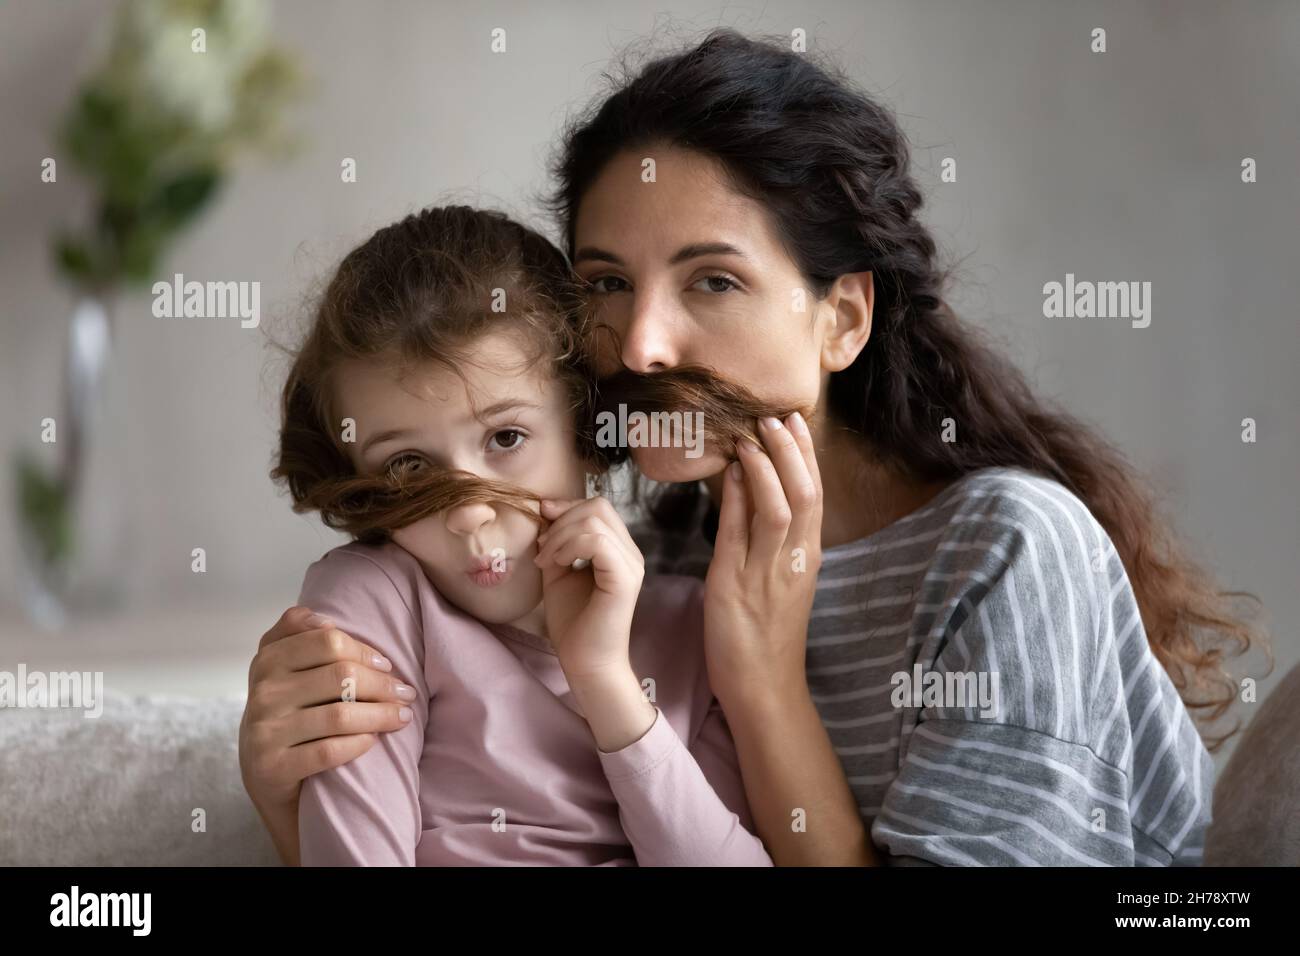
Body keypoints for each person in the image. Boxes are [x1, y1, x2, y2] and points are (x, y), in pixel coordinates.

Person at [241, 31, 1262, 866]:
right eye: (603, 282)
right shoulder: (655, 550)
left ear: (841, 319)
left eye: (711, 281)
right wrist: (289, 787)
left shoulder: (1003, 552)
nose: (640, 342)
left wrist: (760, 676)